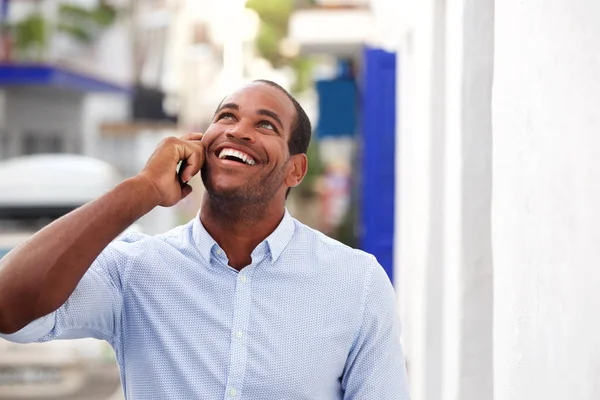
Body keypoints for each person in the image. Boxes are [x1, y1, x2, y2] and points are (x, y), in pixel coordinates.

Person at [0, 80, 410, 399]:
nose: (239, 131)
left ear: (296, 170)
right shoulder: (135, 269)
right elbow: (8, 307)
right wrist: (142, 190)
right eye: (226, 117)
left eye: (265, 124)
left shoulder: (356, 282)